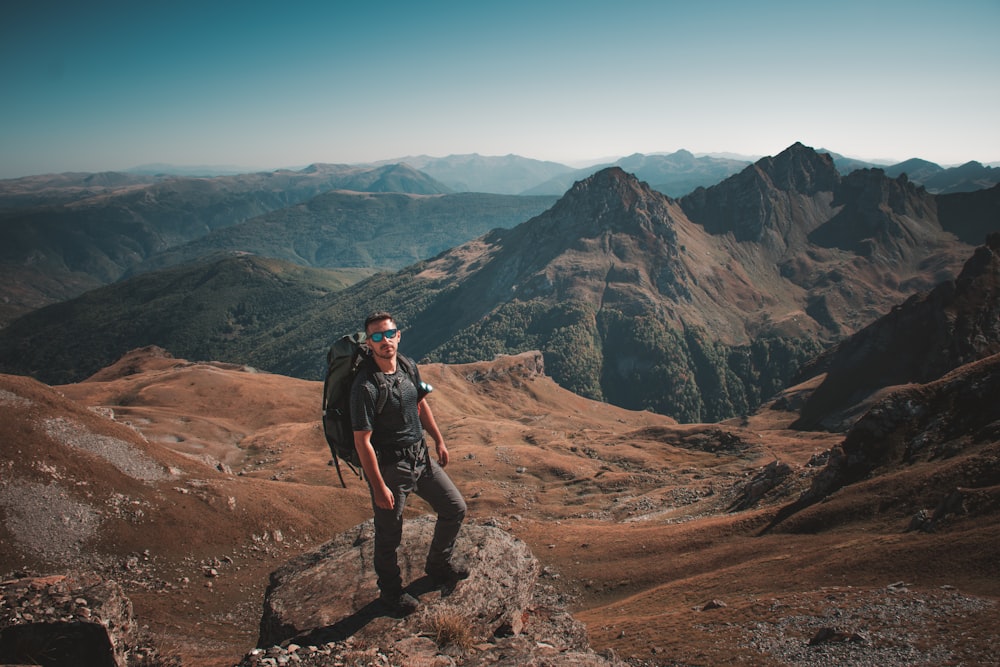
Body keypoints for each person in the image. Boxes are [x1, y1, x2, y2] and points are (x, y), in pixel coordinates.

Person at [350, 311, 468, 615]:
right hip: (392, 469)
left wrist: (439, 439)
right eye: (376, 336)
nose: (385, 340)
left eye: (389, 334)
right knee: (389, 534)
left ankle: (438, 565)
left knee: (455, 508)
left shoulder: (407, 365)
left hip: (422, 457)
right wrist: (378, 487)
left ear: (398, 335)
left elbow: (419, 403)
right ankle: (390, 593)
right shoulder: (365, 387)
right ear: (368, 343)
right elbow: (362, 442)